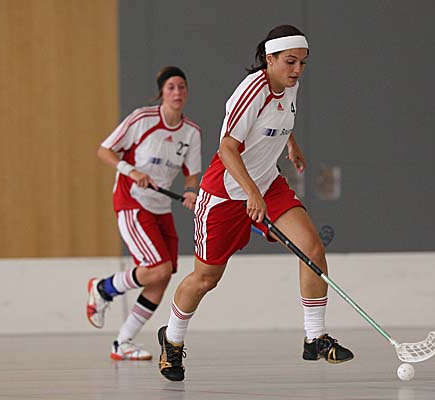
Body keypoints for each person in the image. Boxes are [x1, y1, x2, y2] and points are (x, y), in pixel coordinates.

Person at [157, 25, 353, 382]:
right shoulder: (251, 91)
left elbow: (278, 118)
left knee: (311, 248)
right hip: (224, 193)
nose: (297, 69)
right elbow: (227, 148)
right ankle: (171, 339)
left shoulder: (290, 85)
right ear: (269, 59)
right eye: (290, 62)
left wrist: (290, 143)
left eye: (302, 63)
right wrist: (251, 192)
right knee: (205, 279)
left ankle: (315, 337)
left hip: (267, 183)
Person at [87, 66, 201, 361]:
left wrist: (191, 192)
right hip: (133, 201)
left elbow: (191, 173)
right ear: (162, 92)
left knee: (161, 277)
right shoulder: (142, 119)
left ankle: (123, 342)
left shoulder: (191, 132)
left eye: (182, 87)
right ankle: (103, 288)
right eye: (171, 87)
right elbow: (105, 150)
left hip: (161, 207)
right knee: (158, 268)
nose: (177, 92)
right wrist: (132, 171)